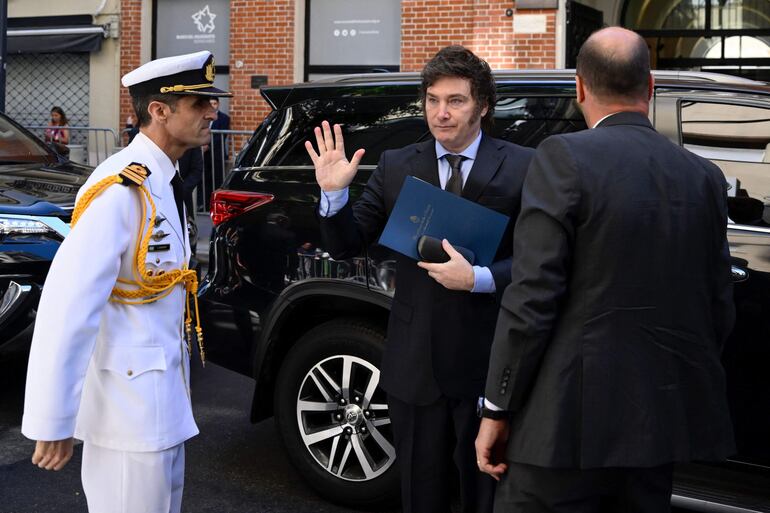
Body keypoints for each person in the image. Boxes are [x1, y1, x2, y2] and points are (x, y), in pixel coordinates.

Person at [475, 27, 735, 512]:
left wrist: (497, 407)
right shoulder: (704, 176)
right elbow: (718, 304)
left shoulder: (563, 157)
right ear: (650, 86)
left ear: (579, 88)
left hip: (565, 428)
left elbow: (532, 298)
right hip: (659, 424)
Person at [307, 45, 534, 513]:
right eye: (432, 100)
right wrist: (334, 197)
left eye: (456, 101)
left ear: (483, 106)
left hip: (489, 364)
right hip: (416, 364)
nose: (441, 113)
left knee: (485, 495)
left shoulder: (524, 166)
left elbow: (540, 261)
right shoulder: (396, 165)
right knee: (420, 494)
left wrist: (480, 278)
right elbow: (349, 244)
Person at [21, 50, 231, 513]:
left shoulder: (164, 179)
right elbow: (67, 306)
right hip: (126, 411)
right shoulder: (119, 187)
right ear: (159, 111)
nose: (212, 111)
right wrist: (53, 418)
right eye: (199, 103)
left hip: (160, 404)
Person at [201, 97, 230, 209]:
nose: (213, 105)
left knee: (217, 180)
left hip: (217, 154)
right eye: (211, 103)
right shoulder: (204, 117)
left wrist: (208, 145)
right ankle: (205, 204)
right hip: (205, 154)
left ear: (218, 104)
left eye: (215, 103)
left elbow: (221, 137)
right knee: (205, 179)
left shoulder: (224, 118)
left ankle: (216, 204)